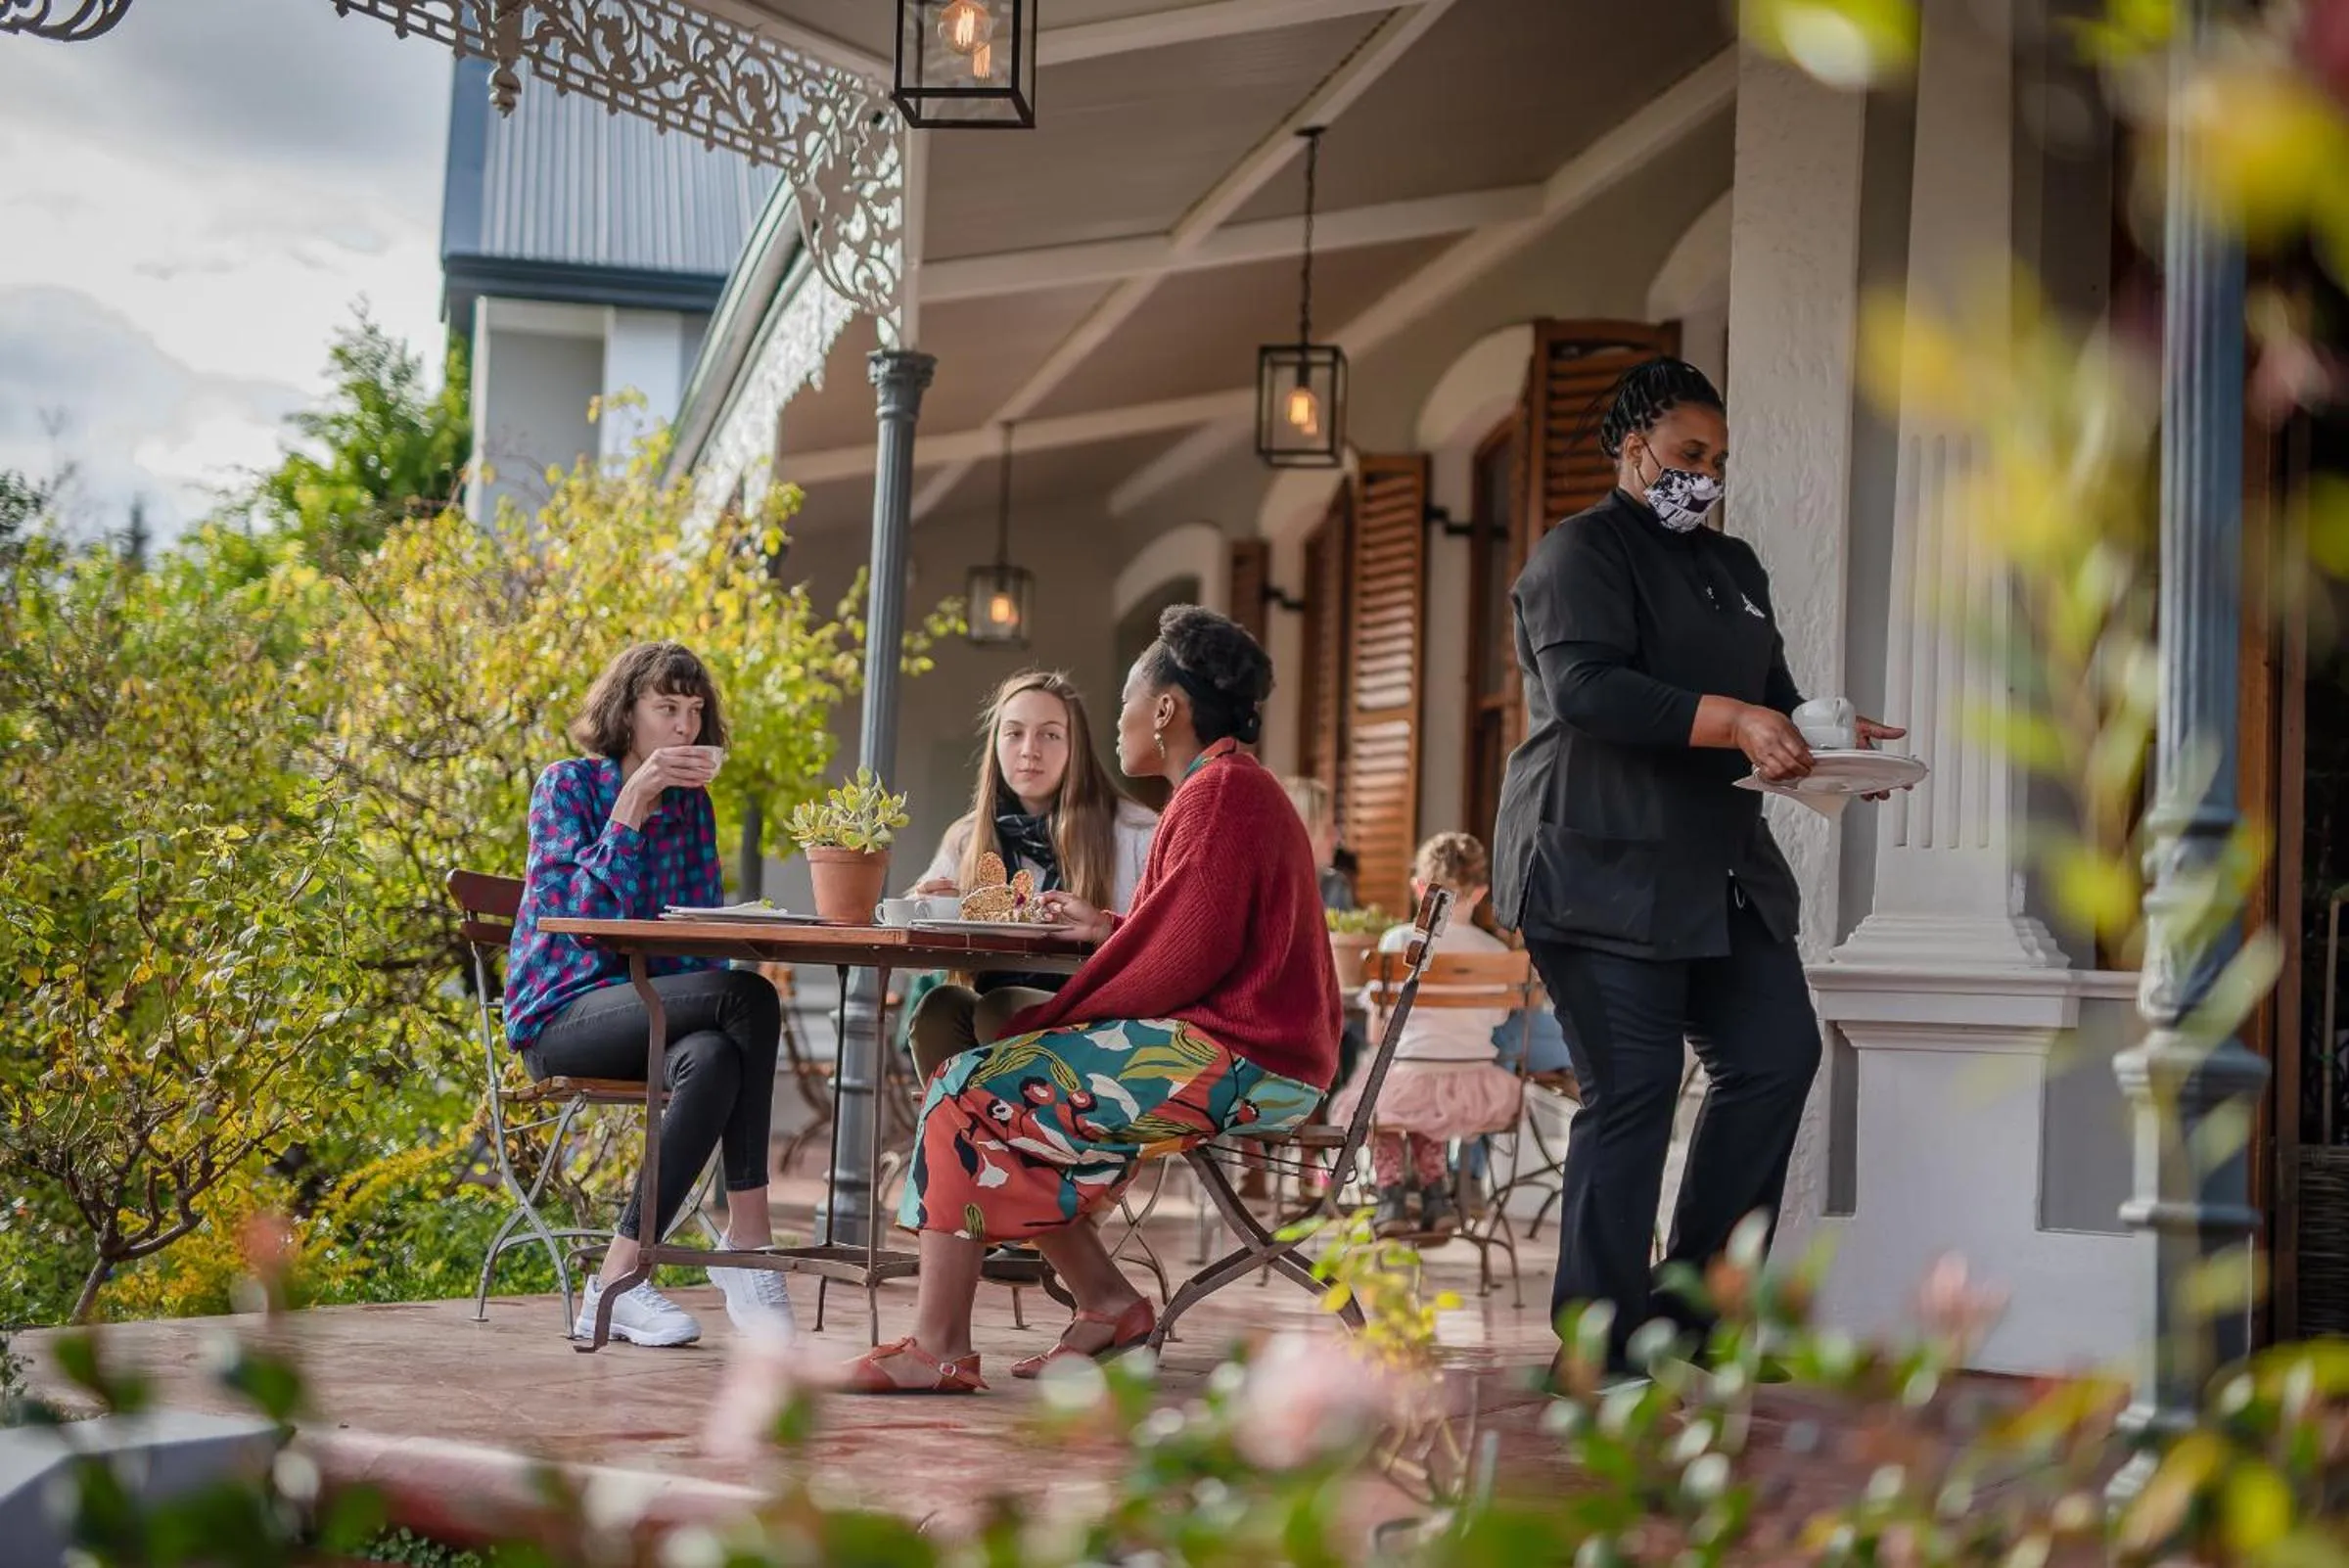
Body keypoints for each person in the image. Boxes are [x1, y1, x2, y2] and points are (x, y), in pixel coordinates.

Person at [1491, 358, 1904, 1377]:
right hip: (1595, 864)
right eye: (1688, 454)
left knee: (1773, 1058)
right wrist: (1737, 722)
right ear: (1632, 448)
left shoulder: (1737, 570)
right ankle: (1597, 1342)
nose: (1706, 475)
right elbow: (1587, 689)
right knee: (1630, 1090)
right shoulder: (1577, 553)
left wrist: (1839, 746)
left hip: (1718, 873)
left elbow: (1776, 699)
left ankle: (1694, 1316)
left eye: (1717, 459)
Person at [840, 606, 1339, 1393]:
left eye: (1125, 706)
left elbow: (1184, 957)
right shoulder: (1224, 787)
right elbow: (1192, 932)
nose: (1119, 724)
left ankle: (938, 1349)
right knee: (979, 1078)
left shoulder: (1219, 795)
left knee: (965, 1087)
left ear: (1166, 709)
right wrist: (1107, 927)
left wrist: (1053, 1014)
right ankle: (1107, 1303)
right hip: (1246, 1052)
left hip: (1245, 1059)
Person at [504, 642, 798, 1348]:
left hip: (647, 1009)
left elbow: (688, 942)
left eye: (695, 712)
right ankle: (747, 1240)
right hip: (563, 1012)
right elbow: (579, 922)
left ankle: (617, 1280)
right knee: (749, 1000)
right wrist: (633, 801)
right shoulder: (566, 787)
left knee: (715, 1056)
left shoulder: (693, 809)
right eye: (666, 709)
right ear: (626, 713)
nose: (684, 728)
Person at [903, 670, 1157, 1073]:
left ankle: (1014, 1131)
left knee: (1001, 1008)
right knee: (939, 1008)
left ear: (1077, 747)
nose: (1029, 750)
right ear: (996, 743)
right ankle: (963, 1129)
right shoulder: (969, 837)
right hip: (996, 1005)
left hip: (1102, 1018)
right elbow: (918, 936)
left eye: (1050, 735)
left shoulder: (1135, 832)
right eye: (1014, 733)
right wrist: (931, 906)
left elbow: (1159, 945)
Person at [1327, 832, 1522, 1238]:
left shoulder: (1398, 943)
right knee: (1419, 1103)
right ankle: (1437, 1195)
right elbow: (1499, 1019)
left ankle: (1391, 1197)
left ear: (1419, 888)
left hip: (1411, 1074)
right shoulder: (1497, 954)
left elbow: (1380, 1033)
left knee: (1386, 1098)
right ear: (1482, 892)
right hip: (1475, 1082)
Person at [1282, 776, 1356, 911]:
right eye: (1327, 830)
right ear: (1302, 833)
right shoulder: (1265, 892)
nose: (1337, 838)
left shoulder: (1336, 887)